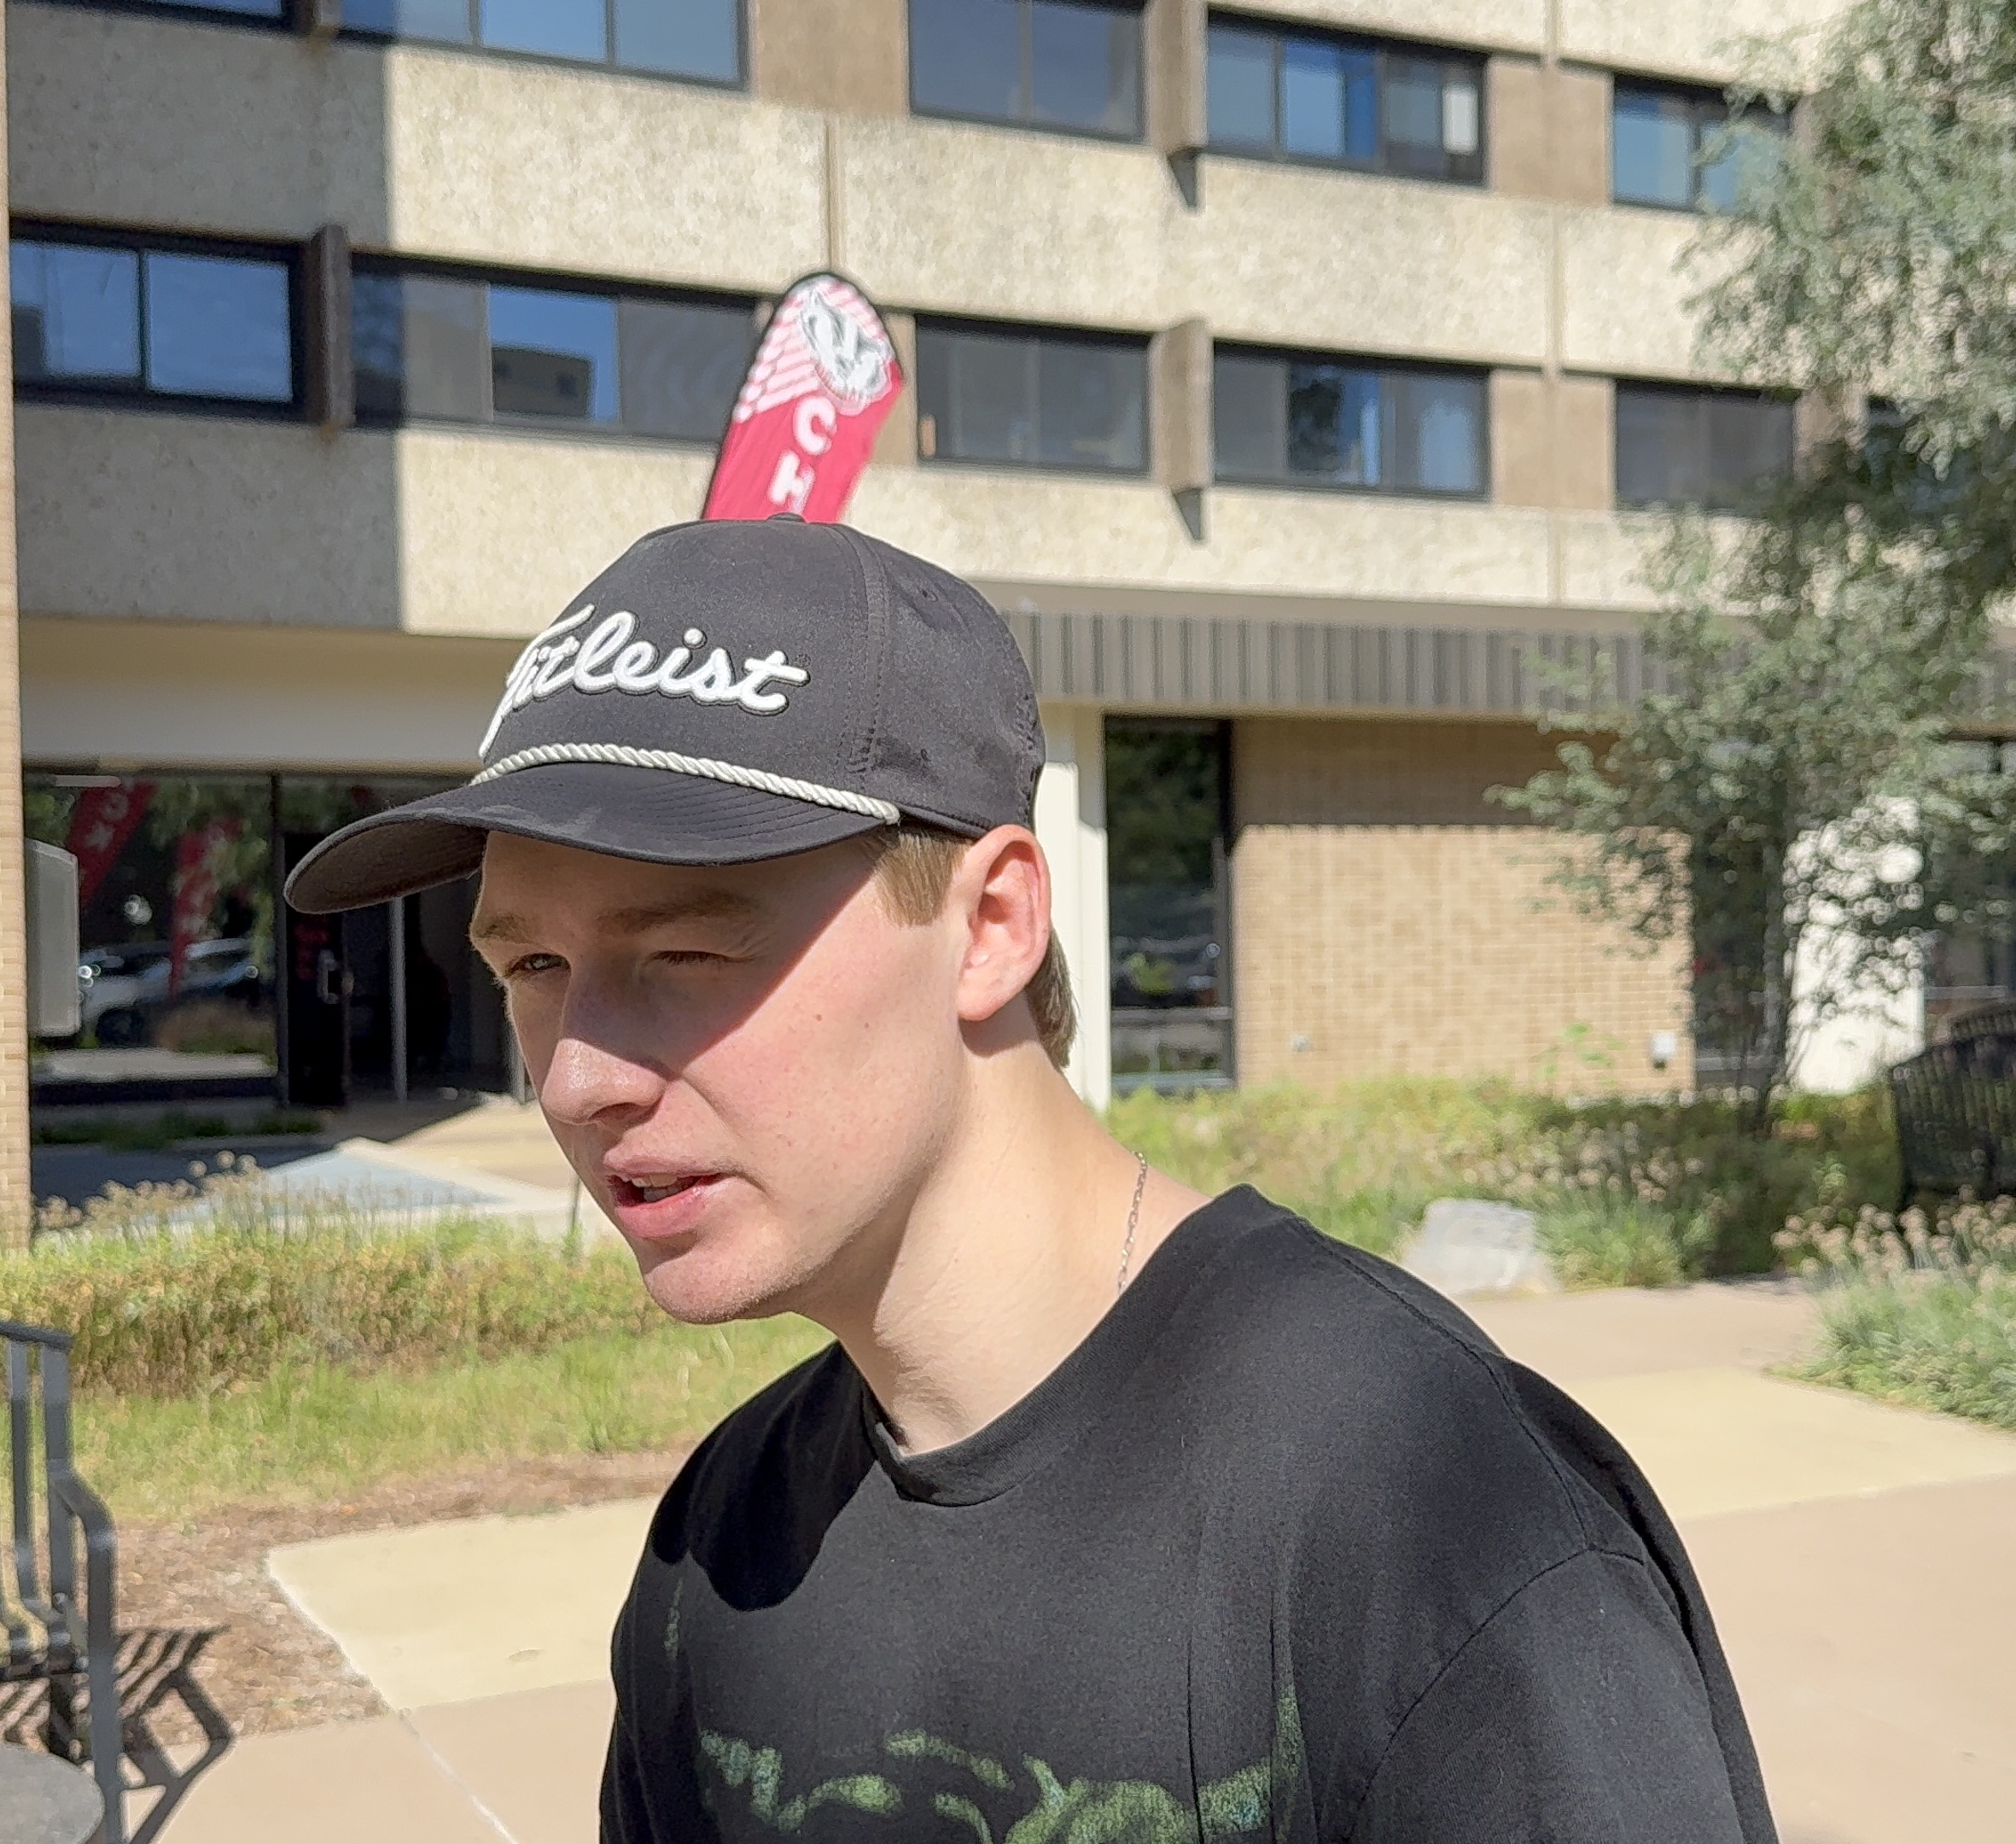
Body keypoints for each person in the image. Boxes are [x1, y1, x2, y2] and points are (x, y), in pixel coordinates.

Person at [283, 516, 1779, 1844]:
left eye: (686, 949)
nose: (576, 1078)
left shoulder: (1424, 1521)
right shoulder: (718, 1550)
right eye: (533, 968)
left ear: (993, 924)